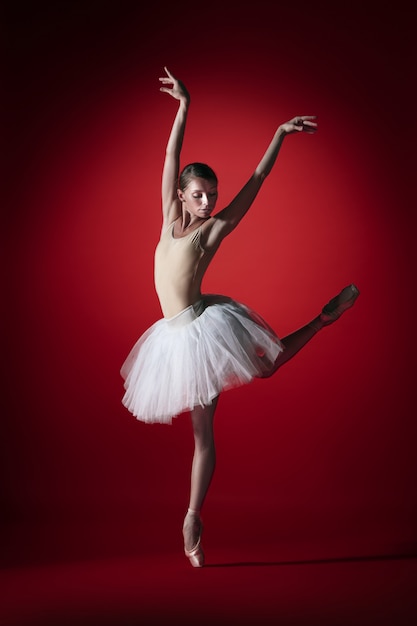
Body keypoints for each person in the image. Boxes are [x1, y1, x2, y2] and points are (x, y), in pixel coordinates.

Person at [120, 67, 360, 568]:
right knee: (204, 434)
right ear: (182, 195)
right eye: (200, 194)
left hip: (200, 327)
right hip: (174, 338)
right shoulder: (169, 215)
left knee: (261, 373)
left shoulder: (211, 231)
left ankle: (320, 320)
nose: (209, 202)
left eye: (212, 193)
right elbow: (170, 156)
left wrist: (277, 136)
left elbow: (256, 181)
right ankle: (194, 518)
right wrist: (184, 105)